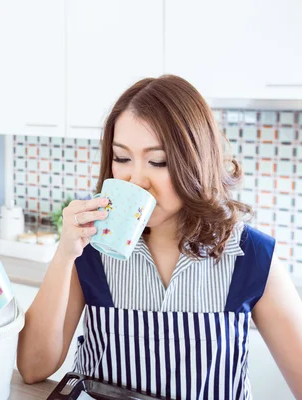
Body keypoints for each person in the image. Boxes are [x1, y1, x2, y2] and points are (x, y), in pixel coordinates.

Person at [17, 75, 302, 399]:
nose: (136, 179)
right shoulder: (91, 248)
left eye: (158, 161)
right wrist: (65, 253)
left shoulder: (251, 256)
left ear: (196, 161)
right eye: (122, 158)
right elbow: (32, 367)